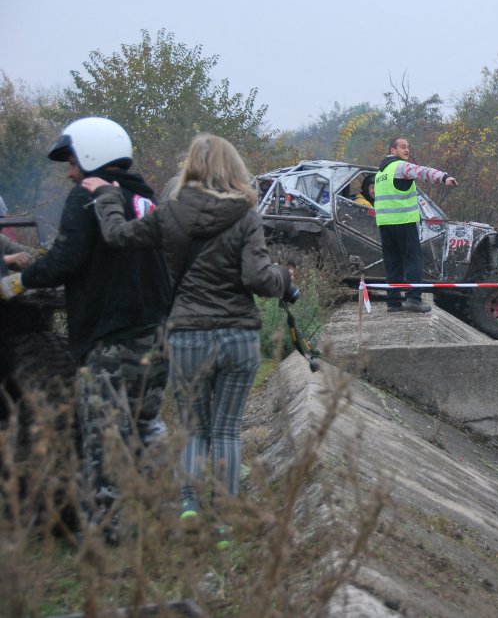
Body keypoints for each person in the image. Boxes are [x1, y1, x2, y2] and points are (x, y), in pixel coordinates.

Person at [81, 134, 295, 531]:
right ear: (233, 168)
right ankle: (224, 522)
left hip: (187, 335)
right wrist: (283, 275)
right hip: (237, 336)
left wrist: (108, 199)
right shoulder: (246, 214)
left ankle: (189, 506)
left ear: (190, 166)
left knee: (193, 428)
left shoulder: (169, 212)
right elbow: (257, 279)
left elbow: (117, 237)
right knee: (227, 430)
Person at [0, 117, 171, 541]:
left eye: (73, 161)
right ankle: (177, 510)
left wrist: (18, 282)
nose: (70, 172)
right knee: (147, 429)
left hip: (111, 338)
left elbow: (66, 259)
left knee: (102, 442)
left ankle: (104, 537)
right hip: (155, 334)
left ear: (92, 155)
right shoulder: (143, 199)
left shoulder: (86, 197)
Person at [375, 137, 457, 313]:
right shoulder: (400, 166)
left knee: (392, 263)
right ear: (392, 150)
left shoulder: (380, 173)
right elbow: (422, 172)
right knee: (413, 260)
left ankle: (393, 302)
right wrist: (444, 177)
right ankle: (413, 299)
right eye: (402, 147)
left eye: (408, 147)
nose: (407, 150)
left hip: (385, 223)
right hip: (404, 221)